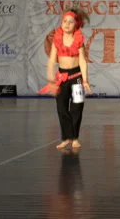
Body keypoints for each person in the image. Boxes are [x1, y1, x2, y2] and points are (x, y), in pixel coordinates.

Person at [39, 8, 92, 149]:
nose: (67, 24)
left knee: (77, 108)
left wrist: (85, 80)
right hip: (62, 77)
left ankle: (74, 138)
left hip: (77, 78)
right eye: (64, 21)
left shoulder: (79, 39)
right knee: (61, 108)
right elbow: (51, 60)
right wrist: (50, 76)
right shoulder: (57, 39)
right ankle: (66, 137)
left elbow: (82, 61)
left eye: (70, 22)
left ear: (76, 24)